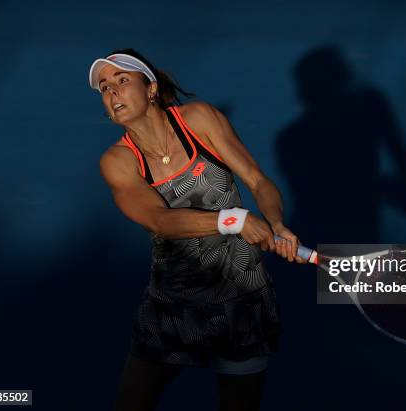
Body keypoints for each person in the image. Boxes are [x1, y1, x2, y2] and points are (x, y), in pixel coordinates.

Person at [89, 49, 304, 411]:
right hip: (173, 309)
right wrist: (234, 220)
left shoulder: (199, 120)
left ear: (152, 88)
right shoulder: (118, 161)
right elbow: (160, 221)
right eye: (105, 88)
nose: (112, 93)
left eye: (122, 81)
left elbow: (257, 180)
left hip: (242, 300)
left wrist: (276, 221)